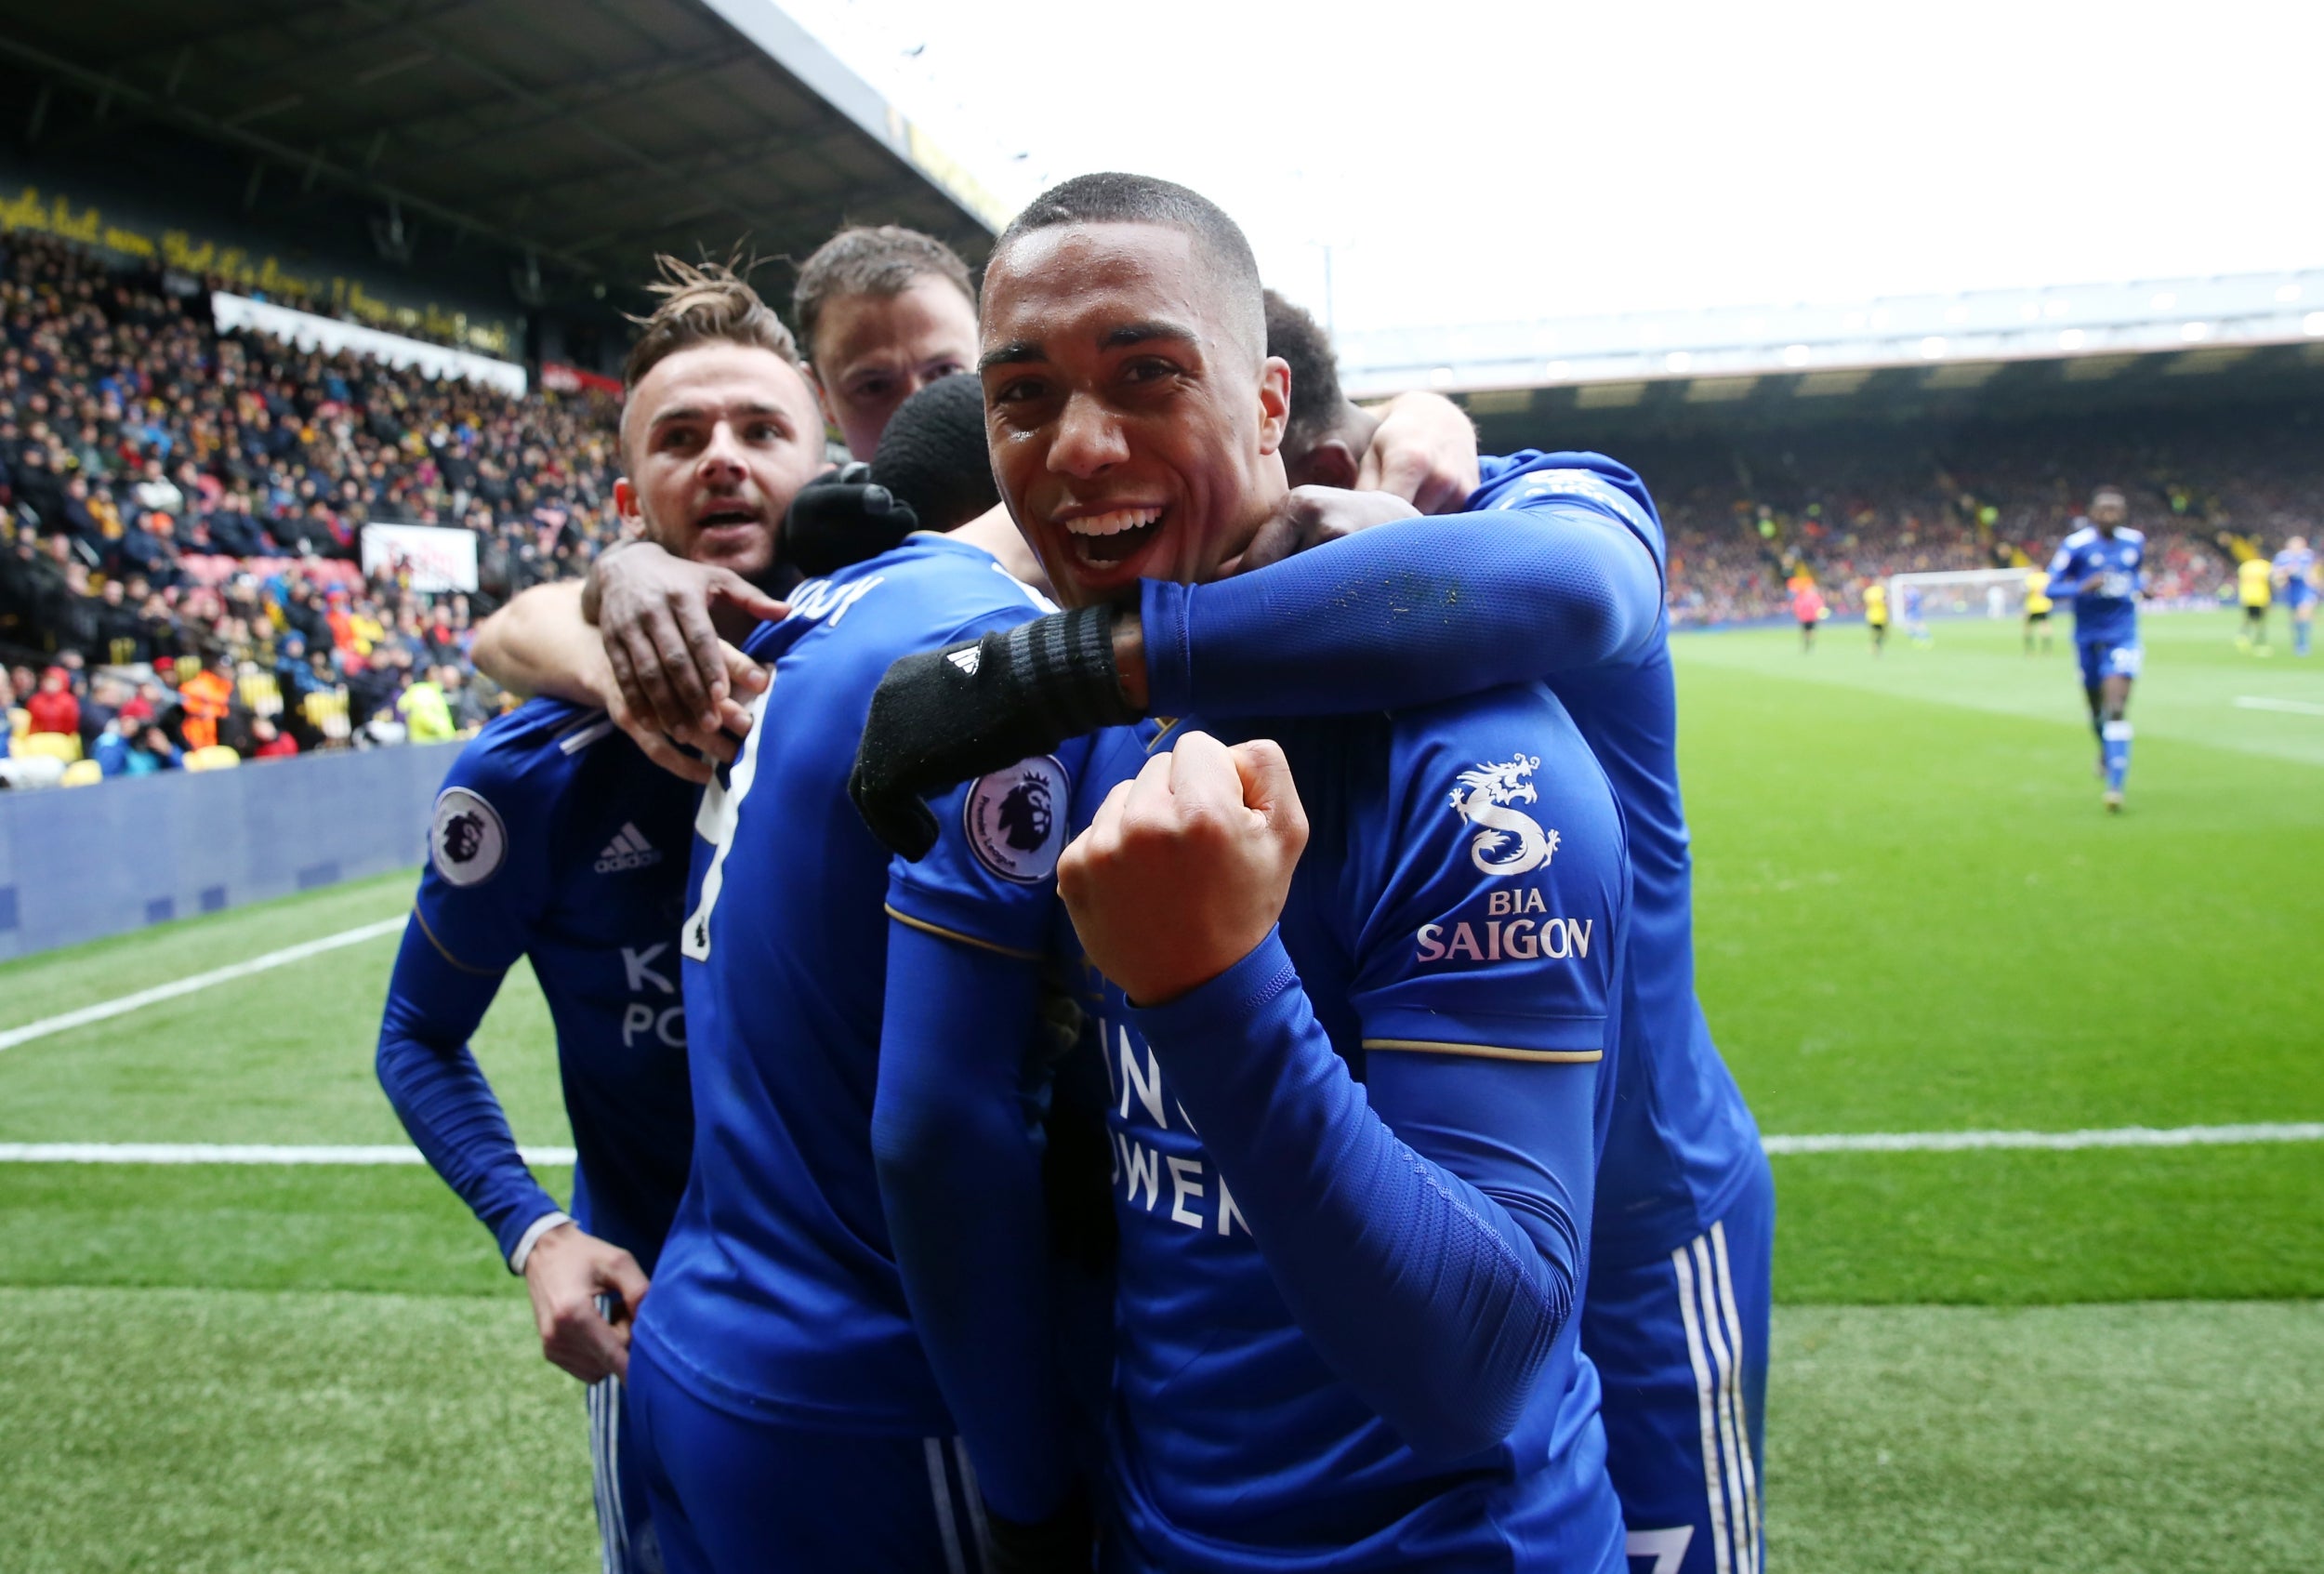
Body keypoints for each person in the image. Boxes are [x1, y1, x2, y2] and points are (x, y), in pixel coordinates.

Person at [859, 274, 1769, 1574]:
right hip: (1348, 1305)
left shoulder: (1531, 511)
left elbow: (1565, 587)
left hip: (1635, 1228)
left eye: (1152, 381)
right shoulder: (1146, 653)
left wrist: (1053, 669)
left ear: (1303, 445)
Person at [374, 258, 825, 1574]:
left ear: (827, 466)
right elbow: (417, 1036)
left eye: (761, 430)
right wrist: (534, 1230)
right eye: (682, 439)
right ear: (630, 505)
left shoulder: (908, 694)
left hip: (909, 1321)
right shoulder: (530, 776)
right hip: (664, 1325)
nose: (724, 460)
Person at [619, 303, 1074, 1574]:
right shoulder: (989, 656)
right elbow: (939, 1126)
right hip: (870, 1396)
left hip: (708, 1337)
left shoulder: (810, 618)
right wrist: (1035, 1489)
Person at [2046, 486, 2144, 812]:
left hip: (2123, 634)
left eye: (2116, 509)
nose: (2110, 515)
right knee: (2095, 706)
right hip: (2087, 637)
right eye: (2104, 510)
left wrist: (2144, 588)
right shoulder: (2076, 546)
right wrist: (2080, 587)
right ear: (2092, 514)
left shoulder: (2135, 541)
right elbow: (2049, 587)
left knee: (2116, 706)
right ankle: (2105, 747)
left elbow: (2134, 575)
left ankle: (2116, 786)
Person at [2275, 535, 2317, 656]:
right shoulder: (2282, 557)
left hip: (2304, 588)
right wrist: (2281, 576)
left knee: (2303, 613)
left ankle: (2303, 644)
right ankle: (2297, 642)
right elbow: (2276, 573)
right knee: (2294, 617)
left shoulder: (2307, 555)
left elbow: (2308, 572)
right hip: (2291, 589)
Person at [2237, 549, 2273, 653]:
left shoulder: (2244, 566)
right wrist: (2270, 597)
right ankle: (2259, 639)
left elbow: (2241, 582)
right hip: (2261, 597)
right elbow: (2270, 582)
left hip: (2247, 597)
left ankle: (2243, 636)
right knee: (2261, 620)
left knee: (2247, 618)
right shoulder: (2265, 566)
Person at [1789, 575, 1825, 652]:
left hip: (1806, 617)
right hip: (1810, 617)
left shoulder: (1803, 596)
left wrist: (1797, 614)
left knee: (1807, 632)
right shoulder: (1813, 597)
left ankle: (1808, 644)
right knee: (1810, 632)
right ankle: (1809, 644)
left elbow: (1797, 607)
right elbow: (1819, 607)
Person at [2023, 565, 2053, 654]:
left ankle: (2030, 650)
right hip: (2045, 606)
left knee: (2028, 628)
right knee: (2045, 626)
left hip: (2033, 607)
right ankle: (2047, 650)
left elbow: (2028, 592)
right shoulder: (2046, 577)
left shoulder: (2031, 578)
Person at [1863, 577, 1889, 654]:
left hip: (1871, 616)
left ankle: (1874, 645)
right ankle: (1876, 646)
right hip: (1881, 616)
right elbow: (1885, 603)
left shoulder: (1868, 591)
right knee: (1883, 633)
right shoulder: (1881, 591)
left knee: (1875, 633)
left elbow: (1866, 604)